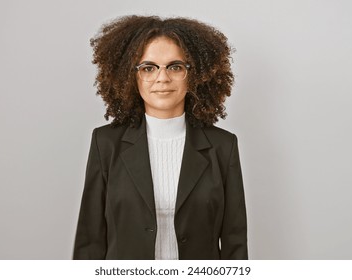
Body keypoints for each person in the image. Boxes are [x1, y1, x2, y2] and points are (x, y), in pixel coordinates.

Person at [73, 15, 247, 260]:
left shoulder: (223, 146)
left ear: (195, 74)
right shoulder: (106, 144)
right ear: (131, 76)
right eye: (148, 67)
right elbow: (90, 241)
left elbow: (234, 242)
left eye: (175, 67)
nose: (162, 78)